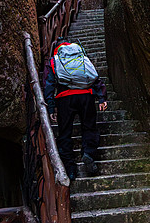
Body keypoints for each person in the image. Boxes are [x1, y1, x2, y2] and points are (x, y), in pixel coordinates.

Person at [44, 39, 108, 182]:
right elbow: (93, 75)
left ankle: (70, 168)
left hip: (64, 98)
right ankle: (89, 153)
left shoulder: (54, 60)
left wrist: (51, 106)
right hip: (86, 96)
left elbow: (49, 83)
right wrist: (102, 97)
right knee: (89, 126)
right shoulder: (80, 56)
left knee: (65, 132)